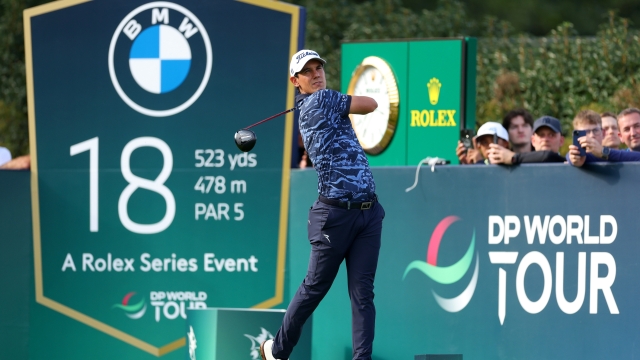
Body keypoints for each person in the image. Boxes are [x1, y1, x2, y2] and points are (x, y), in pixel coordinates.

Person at [260, 50, 385, 360]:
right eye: (307, 71)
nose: (316, 74)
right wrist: (340, 100)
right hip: (335, 216)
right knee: (315, 287)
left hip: (368, 213)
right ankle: (277, 349)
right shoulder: (323, 100)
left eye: (319, 68)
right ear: (295, 80)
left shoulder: (314, 103)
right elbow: (371, 104)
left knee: (363, 295)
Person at [568, 108, 640, 166]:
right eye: (626, 129)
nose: (633, 133)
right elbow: (584, 158)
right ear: (620, 136)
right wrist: (573, 157)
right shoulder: (621, 156)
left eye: (637, 126)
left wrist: (604, 152)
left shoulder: (617, 155)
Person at [487, 116, 566, 164]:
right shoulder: (518, 165)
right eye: (541, 135)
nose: (545, 139)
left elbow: (548, 156)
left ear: (561, 141)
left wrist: (513, 157)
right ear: (533, 141)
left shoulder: (569, 163)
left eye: (551, 135)